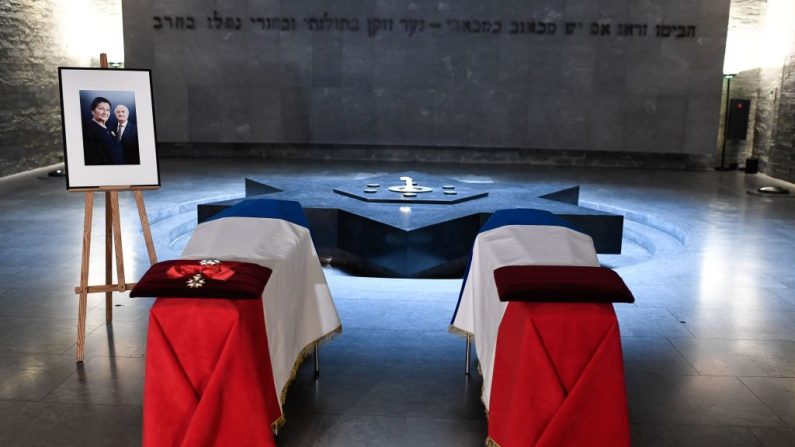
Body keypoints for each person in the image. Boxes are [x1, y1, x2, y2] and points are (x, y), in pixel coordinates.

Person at [82, 96, 124, 165]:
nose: (105, 112)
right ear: (93, 111)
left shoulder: (110, 130)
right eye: (101, 109)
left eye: (107, 110)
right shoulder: (87, 129)